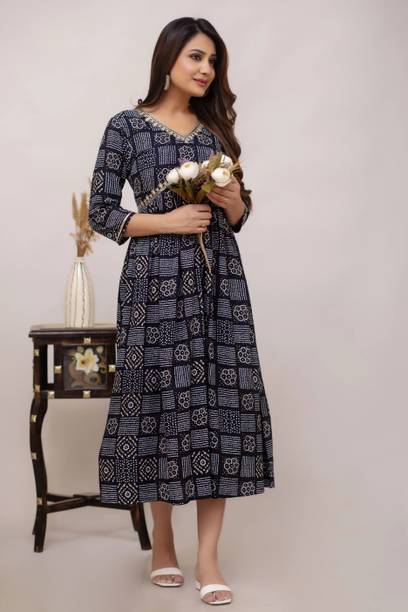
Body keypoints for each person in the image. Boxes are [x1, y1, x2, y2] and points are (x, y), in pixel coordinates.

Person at [88, 16, 275, 606]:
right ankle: (163, 543)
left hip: (219, 286)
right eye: (196, 56)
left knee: (220, 406)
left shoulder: (215, 129)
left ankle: (209, 557)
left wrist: (234, 200)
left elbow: (238, 218)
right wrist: (166, 221)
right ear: (168, 58)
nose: (206, 69)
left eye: (213, 61)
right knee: (160, 406)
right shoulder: (126, 126)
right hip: (154, 285)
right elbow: (100, 212)